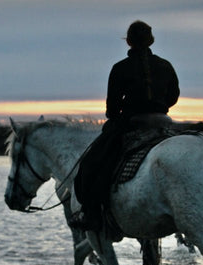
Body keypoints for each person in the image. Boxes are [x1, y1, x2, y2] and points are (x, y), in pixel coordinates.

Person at [74, 20, 180, 232]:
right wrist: (159, 106)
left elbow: (112, 108)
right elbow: (174, 96)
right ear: (151, 41)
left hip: (133, 124)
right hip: (163, 122)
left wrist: (124, 110)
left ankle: (92, 213)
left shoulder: (120, 68)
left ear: (129, 42)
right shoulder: (166, 65)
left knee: (94, 162)